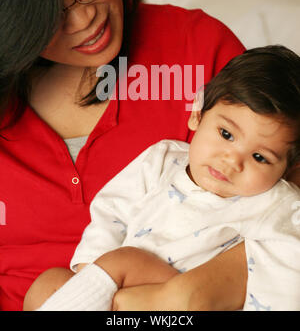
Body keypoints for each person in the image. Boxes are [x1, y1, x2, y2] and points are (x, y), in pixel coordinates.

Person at [0, 0, 297, 312]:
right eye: (50, 14)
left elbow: (288, 212)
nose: (86, 20)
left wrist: (188, 295)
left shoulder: (197, 48)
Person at [24, 45, 300, 312]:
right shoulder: (163, 158)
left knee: (125, 261)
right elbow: (112, 210)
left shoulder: (278, 204)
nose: (232, 161)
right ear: (197, 113)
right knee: (48, 284)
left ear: (288, 168)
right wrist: (90, 275)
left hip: (178, 296)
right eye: (226, 134)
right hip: (112, 283)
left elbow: (284, 279)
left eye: (260, 158)